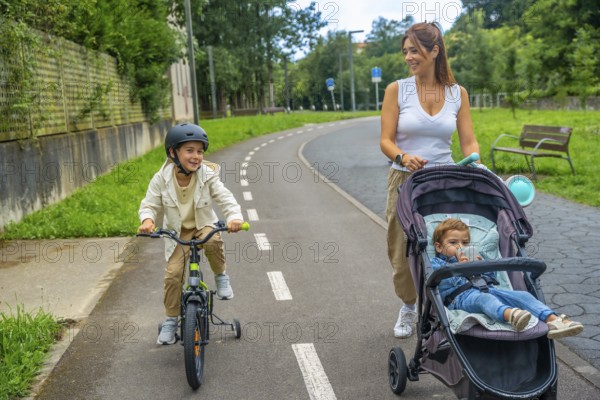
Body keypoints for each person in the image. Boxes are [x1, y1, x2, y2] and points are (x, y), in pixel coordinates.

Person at [380, 21, 480, 338]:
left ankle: (452, 302)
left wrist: (476, 162)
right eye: (405, 51)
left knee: (449, 246)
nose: (409, 56)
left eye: (415, 50)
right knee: (401, 252)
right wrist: (402, 157)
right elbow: (385, 141)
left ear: (434, 51)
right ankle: (409, 306)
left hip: (445, 181)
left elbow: (469, 142)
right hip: (405, 182)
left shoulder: (457, 93)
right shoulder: (397, 90)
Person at [138, 123, 244, 345]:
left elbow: (224, 197)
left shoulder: (207, 174)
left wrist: (234, 217)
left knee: (214, 239)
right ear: (173, 152)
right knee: (173, 274)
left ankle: (221, 277)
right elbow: (149, 204)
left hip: (203, 224)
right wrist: (147, 220)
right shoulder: (161, 178)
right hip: (179, 232)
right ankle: (170, 320)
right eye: (190, 150)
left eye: (200, 151)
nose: (196, 156)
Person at [432, 218, 584, 339]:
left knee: (523, 295)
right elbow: (441, 282)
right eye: (453, 243)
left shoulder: (473, 257)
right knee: (484, 300)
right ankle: (512, 316)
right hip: (459, 298)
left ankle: (554, 320)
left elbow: (492, 279)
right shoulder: (437, 263)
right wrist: (460, 267)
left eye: (465, 243)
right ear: (439, 247)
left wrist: (480, 266)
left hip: (488, 289)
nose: (460, 247)